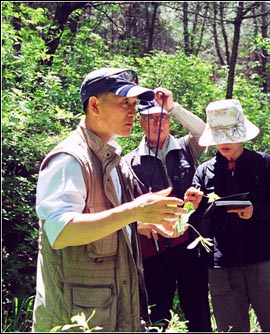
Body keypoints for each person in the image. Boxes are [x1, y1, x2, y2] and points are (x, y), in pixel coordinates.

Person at [33, 68, 187, 332]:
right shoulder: (69, 160)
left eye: (134, 104)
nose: (133, 111)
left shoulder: (114, 160)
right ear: (94, 105)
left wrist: (143, 223)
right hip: (76, 321)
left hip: (115, 315)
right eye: (123, 103)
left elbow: (106, 220)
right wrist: (133, 212)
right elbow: (60, 232)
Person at [184, 99, 270, 332]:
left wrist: (256, 211)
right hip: (223, 266)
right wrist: (193, 207)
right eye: (219, 136)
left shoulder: (262, 163)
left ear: (242, 134)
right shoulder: (204, 171)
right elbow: (194, 224)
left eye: (230, 135)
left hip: (265, 260)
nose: (223, 142)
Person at [124, 89, 212, 331]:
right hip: (155, 251)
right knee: (157, 312)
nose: (158, 123)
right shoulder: (130, 162)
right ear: (140, 122)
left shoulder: (187, 147)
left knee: (198, 310)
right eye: (151, 118)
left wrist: (173, 107)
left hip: (190, 245)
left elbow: (205, 132)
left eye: (163, 118)